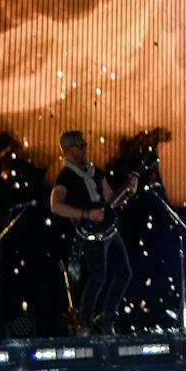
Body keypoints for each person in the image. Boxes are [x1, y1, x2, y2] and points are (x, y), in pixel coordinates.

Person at [48, 131, 139, 332]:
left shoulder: (95, 171)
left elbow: (110, 200)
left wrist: (128, 192)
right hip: (91, 234)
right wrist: (86, 214)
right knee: (98, 277)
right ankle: (85, 324)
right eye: (81, 145)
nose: (85, 148)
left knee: (125, 273)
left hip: (110, 229)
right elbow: (55, 206)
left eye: (84, 144)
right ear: (70, 149)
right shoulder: (66, 177)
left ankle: (107, 318)